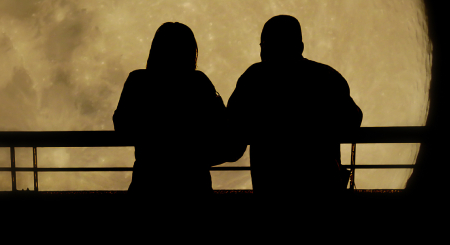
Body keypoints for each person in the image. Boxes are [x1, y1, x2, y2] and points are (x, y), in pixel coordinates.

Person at [227, 15, 362, 199]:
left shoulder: (254, 78)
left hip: (271, 185)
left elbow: (233, 125)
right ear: (300, 46)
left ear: (265, 46)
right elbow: (352, 119)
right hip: (322, 185)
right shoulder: (326, 76)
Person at [113, 22, 246, 202]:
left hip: (148, 184)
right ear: (191, 51)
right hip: (193, 186)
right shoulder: (199, 84)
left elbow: (122, 125)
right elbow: (223, 125)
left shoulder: (138, 81)